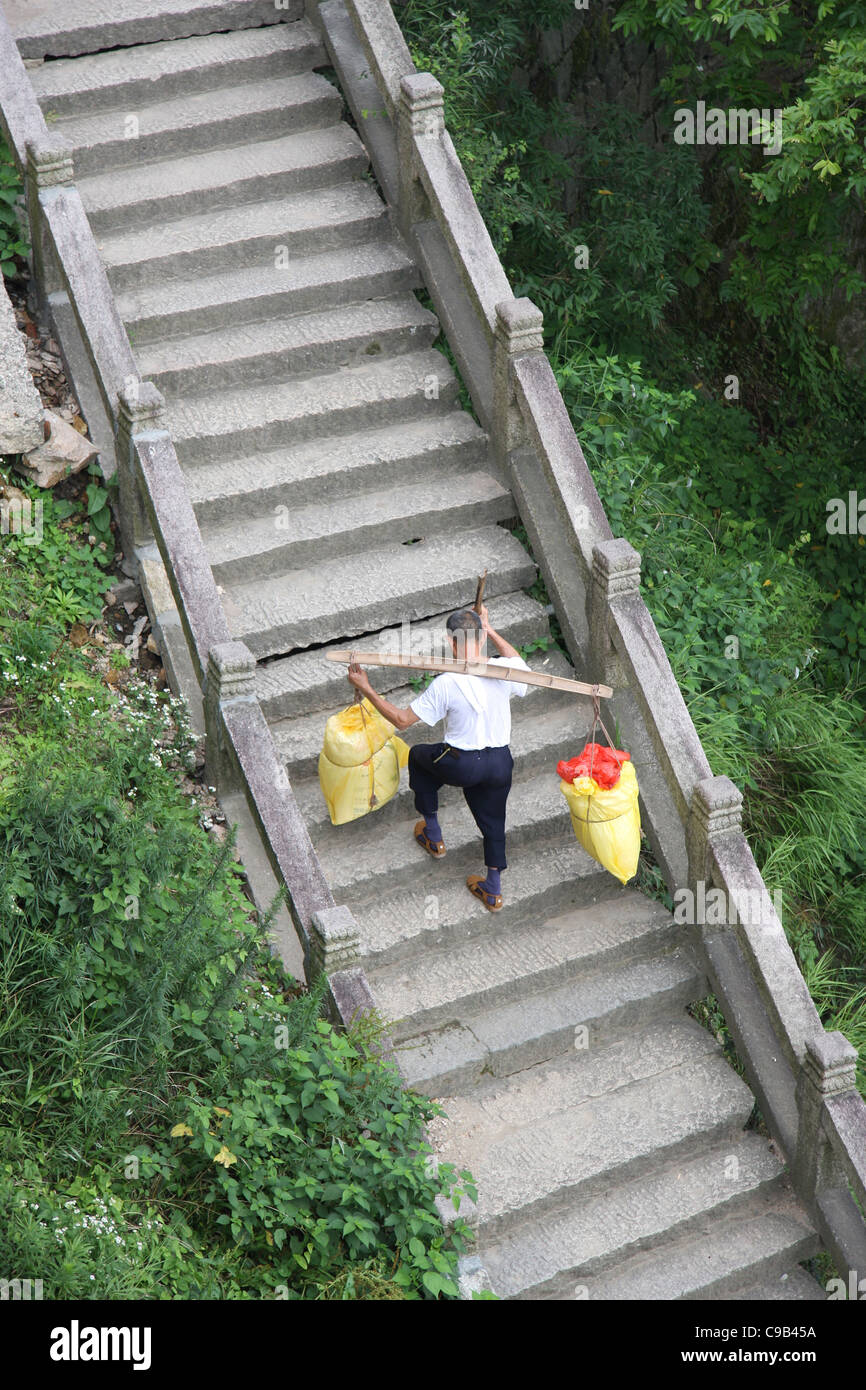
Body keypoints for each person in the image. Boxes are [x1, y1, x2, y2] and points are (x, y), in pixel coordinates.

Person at [346, 605, 529, 912]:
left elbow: (403, 721)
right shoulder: (505, 669)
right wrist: (491, 629)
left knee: (418, 756)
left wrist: (367, 689)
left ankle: (433, 835)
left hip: (462, 764)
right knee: (494, 821)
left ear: (451, 642)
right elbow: (517, 662)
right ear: (482, 638)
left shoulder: (447, 682)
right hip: (501, 763)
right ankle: (494, 891)